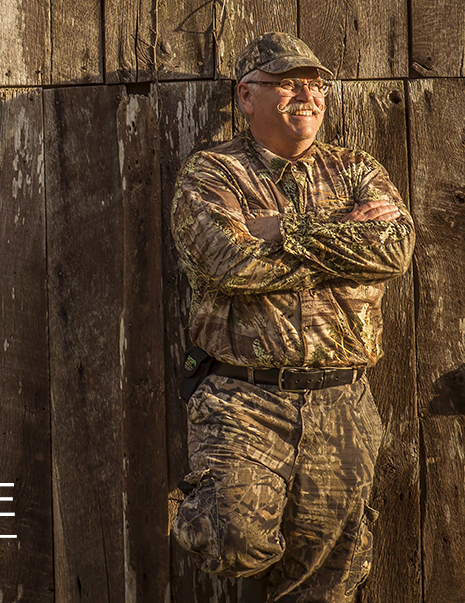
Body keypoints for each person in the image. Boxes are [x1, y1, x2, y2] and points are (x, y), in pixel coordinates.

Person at [169, 32, 415, 601]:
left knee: (328, 581)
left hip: (343, 401)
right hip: (243, 399)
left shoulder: (356, 169)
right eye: (288, 82)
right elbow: (228, 265)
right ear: (246, 96)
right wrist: (344, 237)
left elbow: (393, 252)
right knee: (234, 539)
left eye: (317, 84)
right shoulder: (212, 174)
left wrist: (282, 229)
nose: (308, 94)